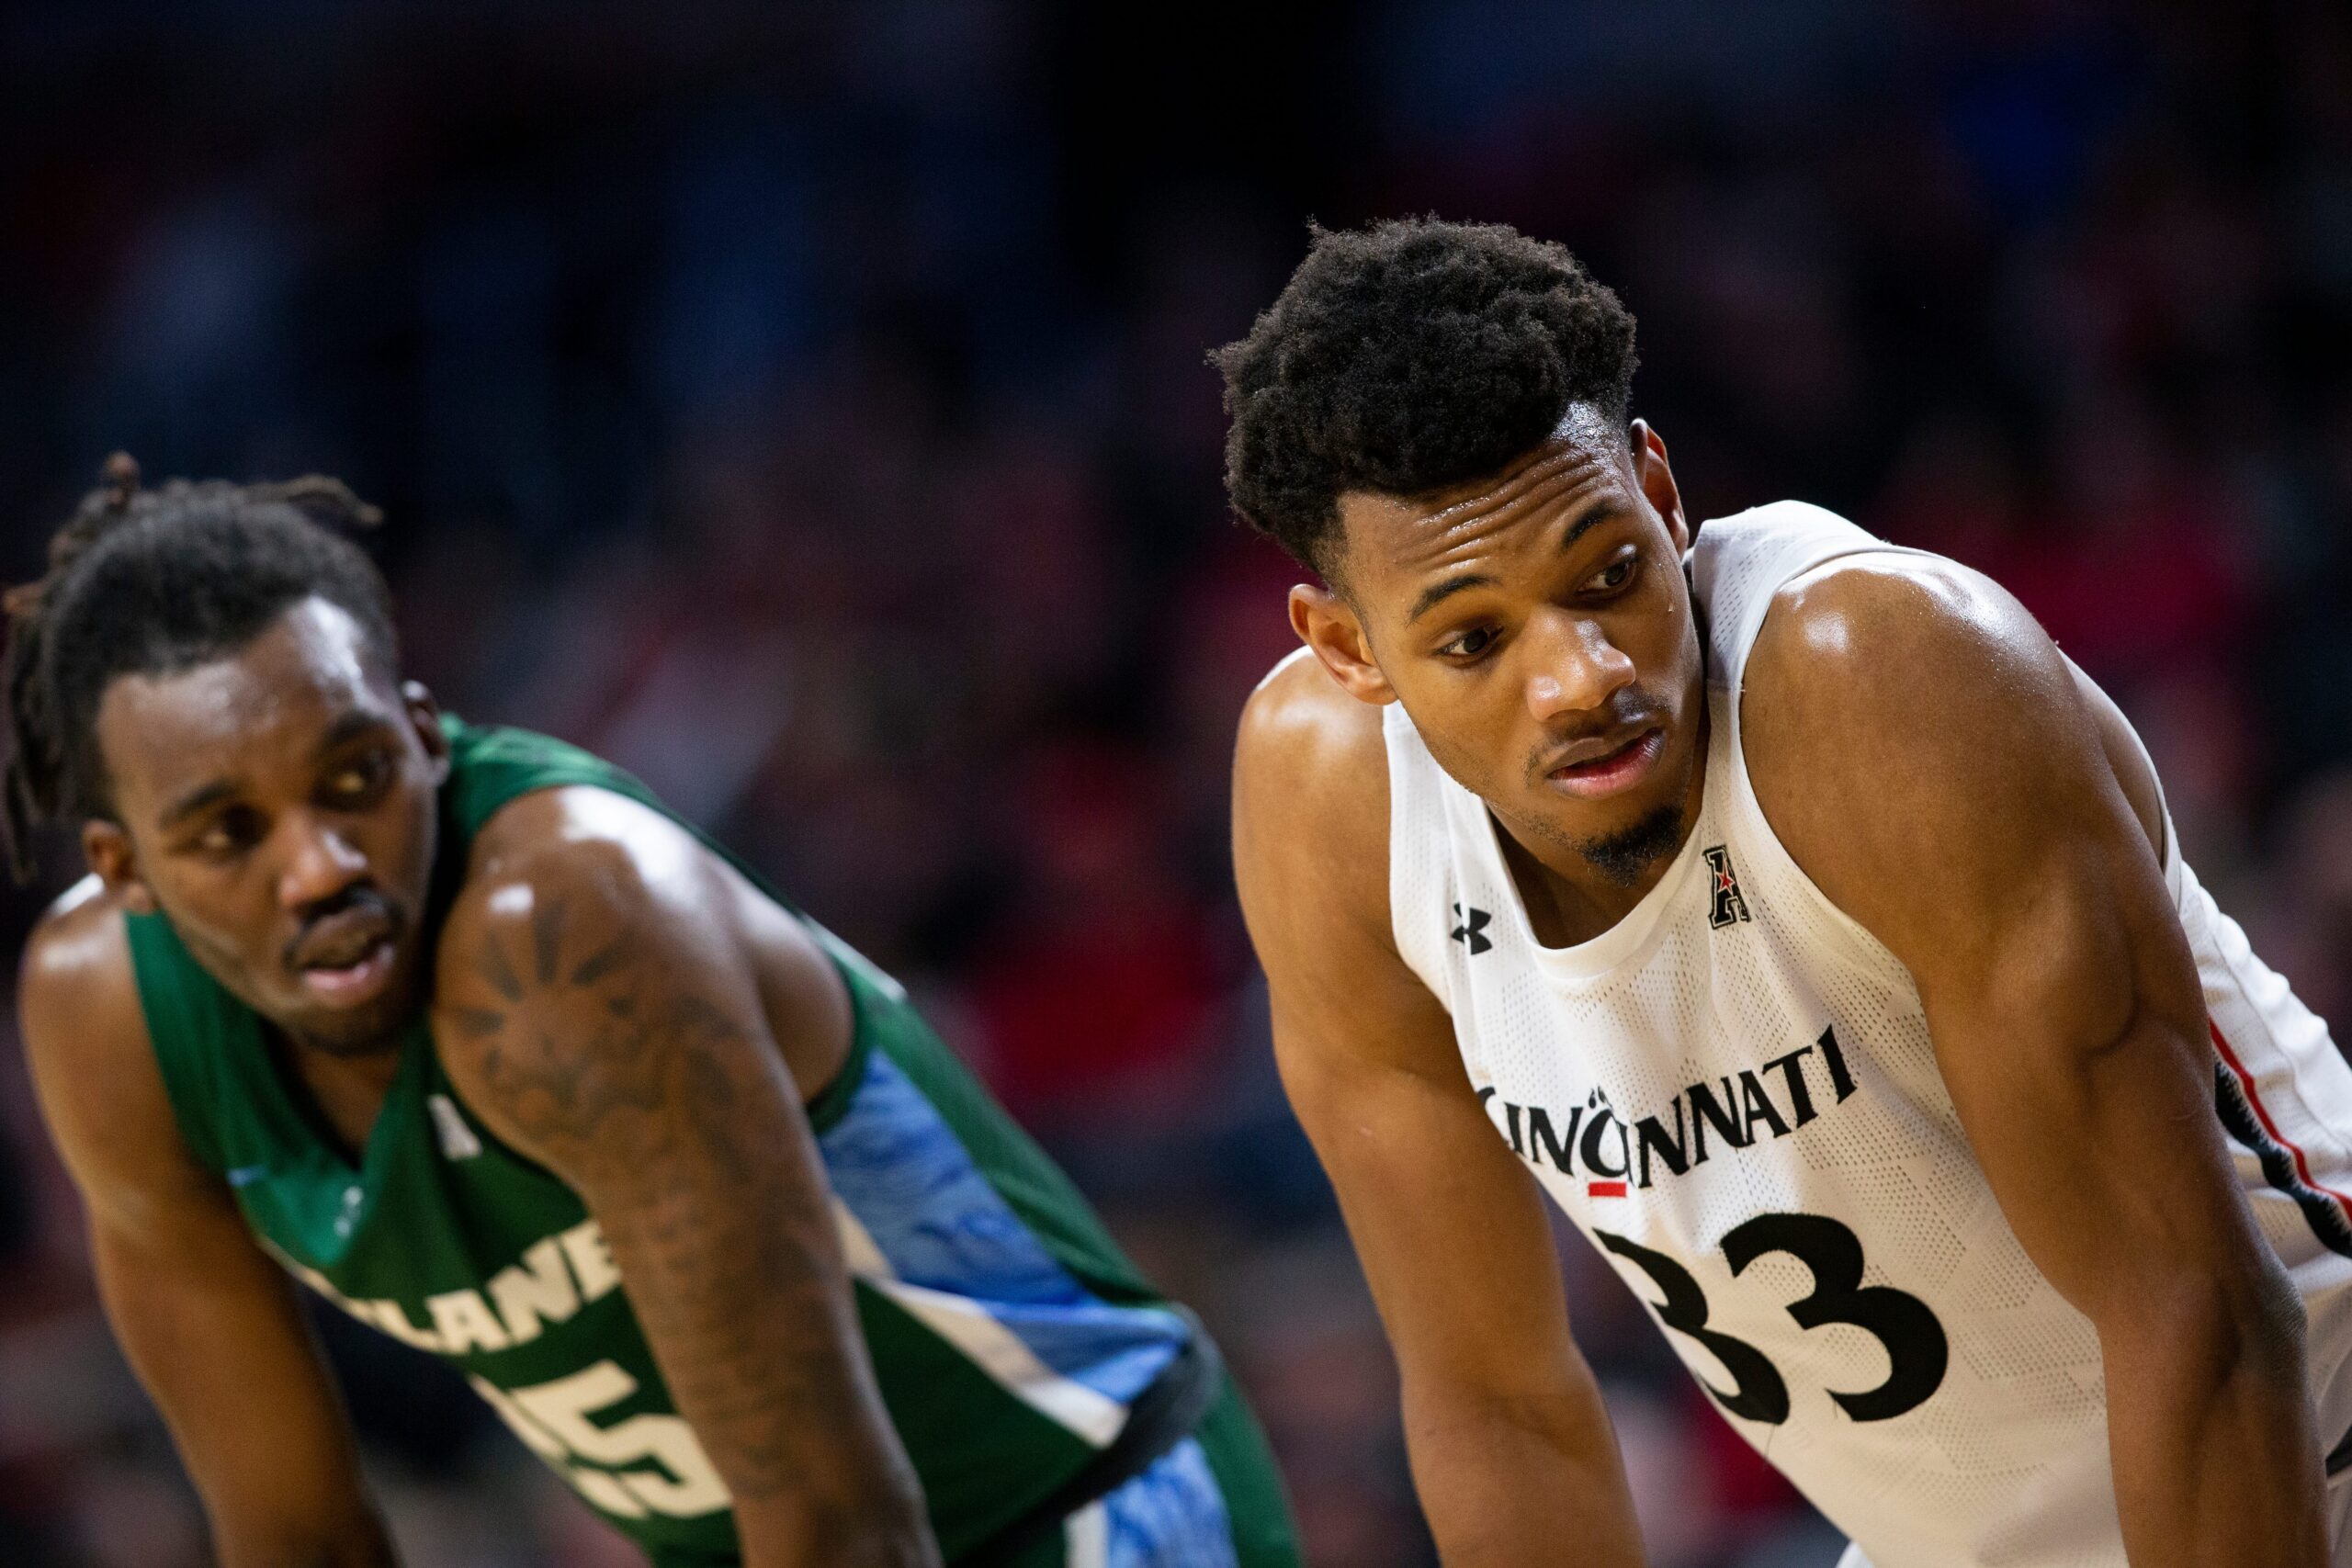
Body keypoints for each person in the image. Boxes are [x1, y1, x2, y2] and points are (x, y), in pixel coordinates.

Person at [1220, 218, 2352, 1567]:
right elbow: (1500, 1408)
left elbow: (2200, 1312)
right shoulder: (1331, 812)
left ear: (1661, 493)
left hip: (2306, 1448)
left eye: (1609, 576)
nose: (1583, 676)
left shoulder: (1885, 682)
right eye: (1474, 639)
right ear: (1348, 649)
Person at [10, 456, 1300, 1568]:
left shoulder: (569, 937)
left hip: (1085, 1503)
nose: (319, 867)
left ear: (425, 735)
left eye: (355, 778)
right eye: (227, 834)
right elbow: (296, 1537)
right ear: (124, 871)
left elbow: (842, 1520)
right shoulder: (109, 1020)